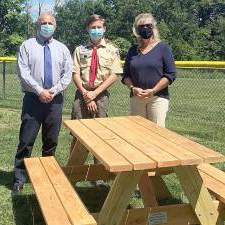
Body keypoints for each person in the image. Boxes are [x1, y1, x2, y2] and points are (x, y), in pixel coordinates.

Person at [13, 12, 73, 194]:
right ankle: (19, 178)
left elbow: (67, 73)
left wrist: (52, 91)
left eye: (50, 23)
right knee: (26, 140)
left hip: (55, 100)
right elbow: (23, 72)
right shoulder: (27, 46)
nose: (47, 25)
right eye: (43, 23)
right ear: (37, 25)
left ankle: (48, 175)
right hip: (33, 99)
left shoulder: (62, 48)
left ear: (56, 26)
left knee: (51, 141)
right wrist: (40, 91)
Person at [71, 15, 122, 166]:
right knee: (78, 132)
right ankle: (74, 169)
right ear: (88, 29)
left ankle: (99, 174)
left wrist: (95, 93)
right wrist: (86, 94)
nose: (96, 30)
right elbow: (75, 73)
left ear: (104, 29)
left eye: (99, 27)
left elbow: (114, 75)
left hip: (101, 96)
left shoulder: (112, 50)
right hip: (82, 94)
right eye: (93, 27)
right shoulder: (80, 50)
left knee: (101, 133)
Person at [122, 13, 176, 127]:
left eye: (148, 25)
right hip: (137, 97)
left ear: (154, 27)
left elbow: (170, 74)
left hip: (157, 98)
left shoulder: (163, 48)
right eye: (141, 26)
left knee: (157, 134)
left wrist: (154, 90)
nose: (145, 28)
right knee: (138, 134)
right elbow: (125, 75)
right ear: (136, 30)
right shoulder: (132, 51)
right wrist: (133, 88)